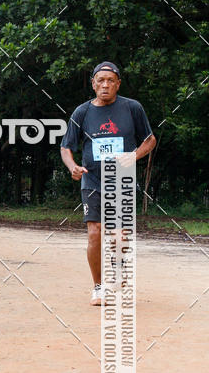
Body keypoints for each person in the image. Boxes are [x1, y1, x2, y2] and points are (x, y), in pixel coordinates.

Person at [60, 61, 156, 305]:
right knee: (95, 233)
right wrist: (73, 167)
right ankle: (99, 287)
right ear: (93, 83)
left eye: (110, 80)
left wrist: (132, 156)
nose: (105, 84)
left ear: (118, 84)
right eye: (100, 80)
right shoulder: (82, 113)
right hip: (92, 181)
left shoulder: (132, 108)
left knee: (119, 235)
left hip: (121, 181)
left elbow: (149, 140)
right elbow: (66, 148)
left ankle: (117, 272)